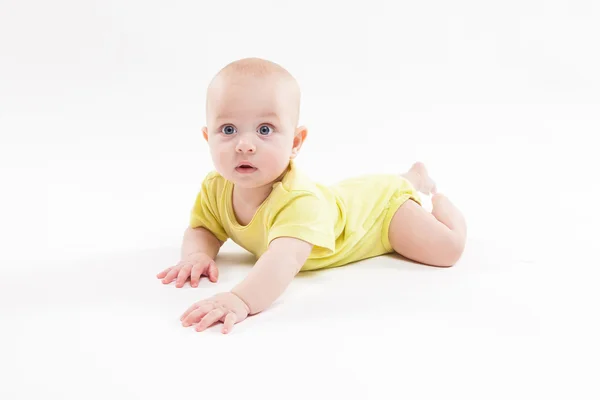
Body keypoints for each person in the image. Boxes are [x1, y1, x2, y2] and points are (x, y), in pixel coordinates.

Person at [156, 57, 467, 334]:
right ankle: (410, 177)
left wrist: (239, 299)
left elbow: (282, 261)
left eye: (264, 130)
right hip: (346, 199)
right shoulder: (216, 187)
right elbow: (203, 228)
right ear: (207, 137)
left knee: (447, 251)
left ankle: (432, 195)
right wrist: (197, 254)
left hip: (381, 216)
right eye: (228, 130)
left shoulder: (297, 201)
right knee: (356, 192)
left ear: (296, 141)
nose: (244, 144)